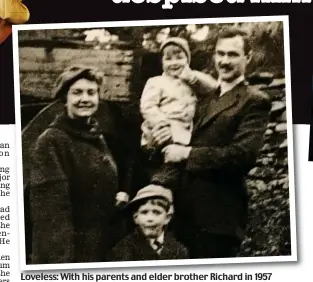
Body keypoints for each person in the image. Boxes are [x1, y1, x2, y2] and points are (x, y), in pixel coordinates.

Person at [153, 27, 272, 258]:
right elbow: (180, 142)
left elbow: (242, 155)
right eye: (220, 54)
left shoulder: (254, 100)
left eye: (232, 54)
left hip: (218, 219)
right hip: (183, 213)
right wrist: (161, 140)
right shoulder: (204, 98)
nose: (224, 61)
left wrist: (187, 154)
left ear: (248, 57)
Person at [28, 65, 130, 264]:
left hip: (98, 246)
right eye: (77, 92)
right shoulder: (51, 141)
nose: (85, 99)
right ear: (64, 99)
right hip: (70, 254)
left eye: (91, 92)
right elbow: (51, 215)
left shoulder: (95, 135)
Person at [140, 37, 217, 191]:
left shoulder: (191, 81)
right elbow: (147, 106)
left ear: (187, 60)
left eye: (179, 57)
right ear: (162, 62)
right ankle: (162, 181)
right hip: (164, 128)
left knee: (186, 161)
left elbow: (214, 87)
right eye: (168, 59)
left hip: (186, 131)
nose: (174, 63)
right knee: (170, 160)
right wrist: (162, 123)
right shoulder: (156, 82)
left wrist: (192, 77)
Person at [107, 185, 188, 261]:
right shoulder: (123, 250)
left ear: (167, 218)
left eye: (156, 212)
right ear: (136, 218)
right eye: (144, 212)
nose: (150, 218)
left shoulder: (179, 250)